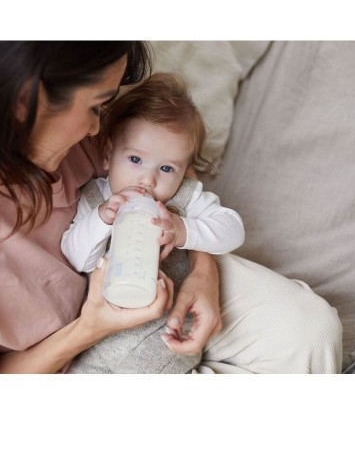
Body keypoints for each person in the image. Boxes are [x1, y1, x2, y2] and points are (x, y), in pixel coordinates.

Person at [0, 41, 342, 374]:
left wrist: (203, 273)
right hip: (71, 361)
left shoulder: (63, 136)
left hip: (164, 272)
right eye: (97, 107)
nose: (97, 130)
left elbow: (164, 178)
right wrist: (90, 328)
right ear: (26, 102)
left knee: (310, 330)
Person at [63, 73, 245, 373]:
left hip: (170, 339)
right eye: (135, 160)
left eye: (166, 168)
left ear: (184, 171)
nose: (148, 179)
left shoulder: (183, 198)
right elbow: (75, 257)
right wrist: (102, 219)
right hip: (101, 344)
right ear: (108, 155)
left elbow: (233, 230)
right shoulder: (96, 198)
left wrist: (183, 229)